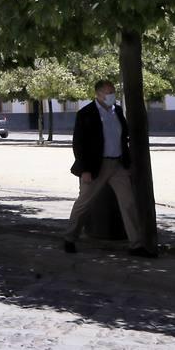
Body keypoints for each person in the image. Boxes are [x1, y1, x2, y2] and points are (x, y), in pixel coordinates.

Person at [61, 80, 154, 258]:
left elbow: (123, 137)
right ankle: (70, 238)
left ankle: (136, 244)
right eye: (108, 92)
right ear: (98, 94)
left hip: (118, 164)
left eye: (113, 92)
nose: (112, 95)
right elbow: (79, 144)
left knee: (128, 203)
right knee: (84, 204)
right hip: (96, 166)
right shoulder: (86, 113)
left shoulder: (117, 111)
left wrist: (127, 164)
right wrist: (85, 170)